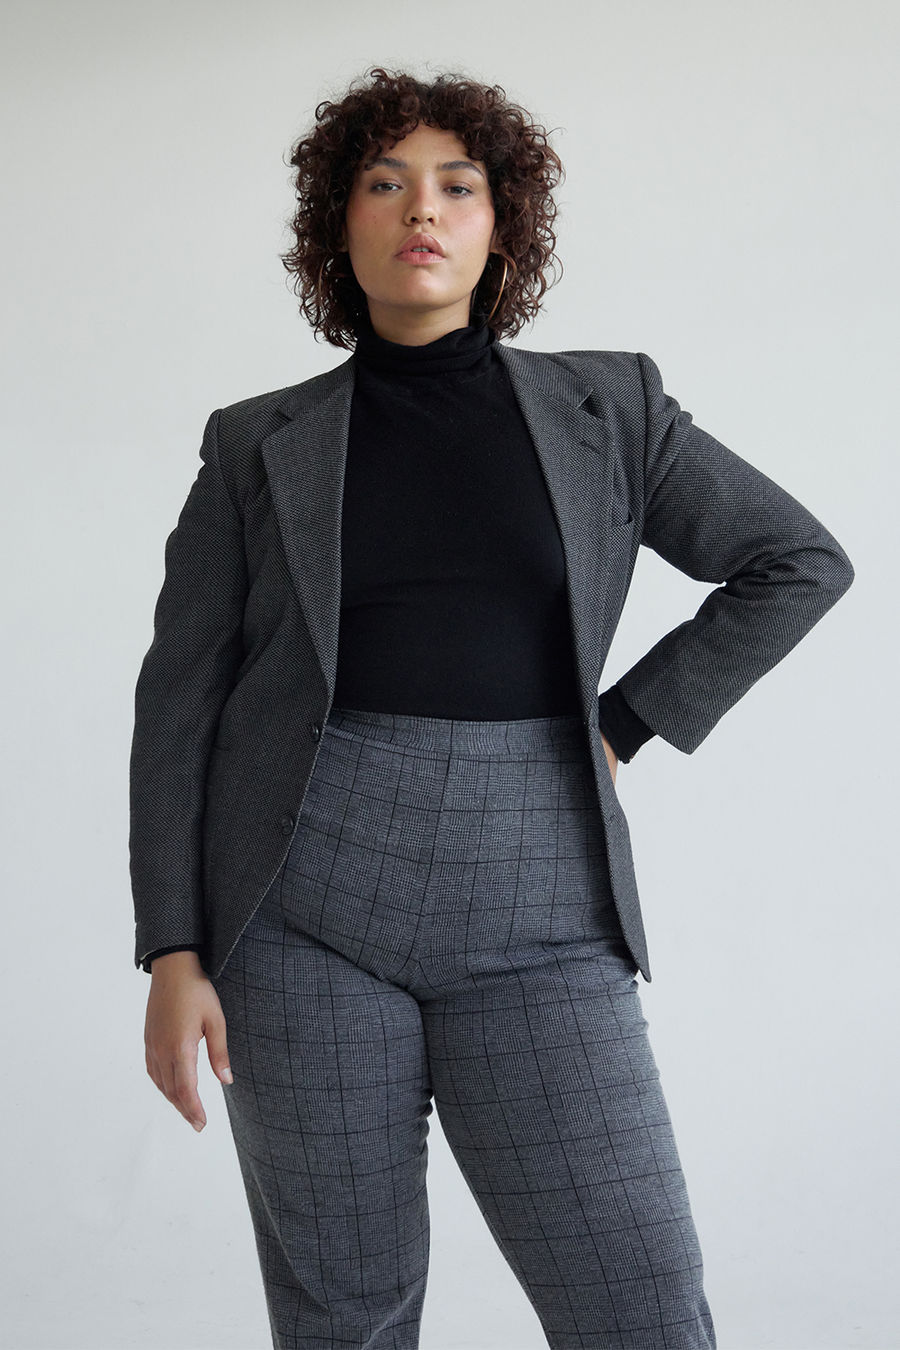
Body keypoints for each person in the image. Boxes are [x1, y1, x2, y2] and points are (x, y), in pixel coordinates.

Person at [131, 66, 854, 1350]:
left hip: (542, 914)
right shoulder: (255, 443)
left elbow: (796, 562)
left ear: (501, 226)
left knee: (639, 1305)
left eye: (457, 186)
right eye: (384, 183)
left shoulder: (611, 410)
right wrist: (172, 951)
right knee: (344, 1320)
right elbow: (180, 700)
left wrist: (625, 724)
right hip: (298, 921)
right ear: (338, 225)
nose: (422, 209)